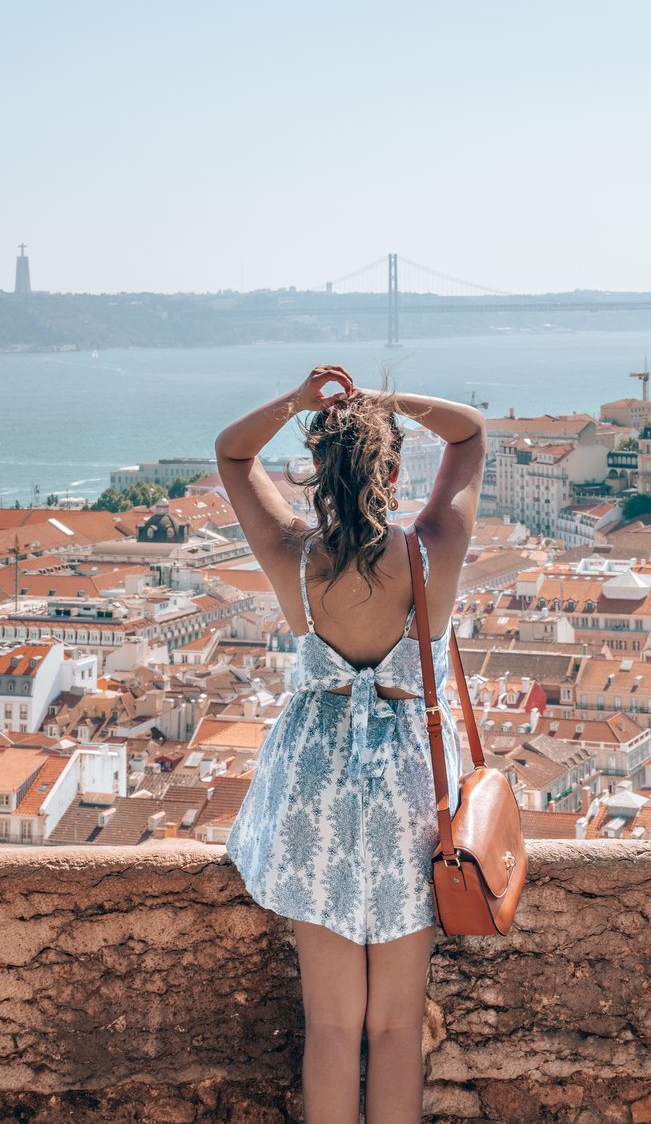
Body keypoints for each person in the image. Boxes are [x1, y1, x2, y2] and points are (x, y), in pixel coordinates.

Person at [215, 364, 485, 1124]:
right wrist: (386, 402)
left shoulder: (291, 556)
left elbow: (232, 453)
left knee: (332, 1028)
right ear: (393, 471)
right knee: (398, 1028)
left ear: (317, 476)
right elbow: (470, 432)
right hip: (407, 788)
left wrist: (301, 402)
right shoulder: (435, 549)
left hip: (315, 785)